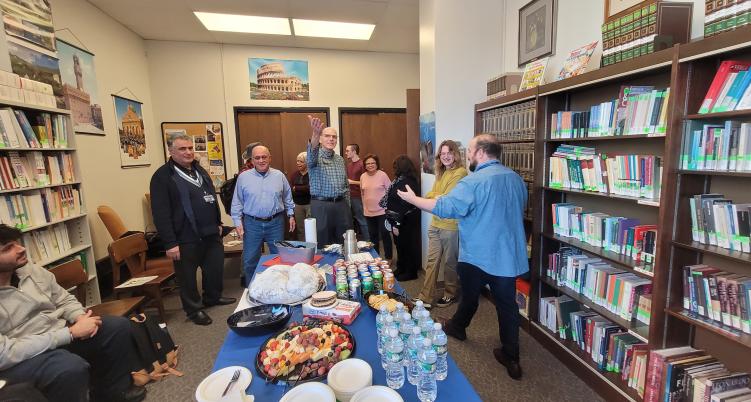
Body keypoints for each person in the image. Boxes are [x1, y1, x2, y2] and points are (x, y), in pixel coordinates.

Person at [397, 134, 528, 380]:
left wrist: (413, 199)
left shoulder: (473, 181)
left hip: (477, 254)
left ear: (480, 152)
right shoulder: (516, 179)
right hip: (507, 257)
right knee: (507, 307)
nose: (467, 154)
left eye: (469, 150)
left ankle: (458, 328)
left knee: (469, 296)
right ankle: (512, 357)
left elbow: (446, 207)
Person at [0, 224, 146, 402]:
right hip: (23, 357)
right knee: (69, 368)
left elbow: (62, 298)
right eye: (8, 248)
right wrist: (69, 333)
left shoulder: (29, 270)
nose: (21, 249)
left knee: (117, 327)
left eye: (17, 243)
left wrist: (79, 316)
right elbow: (5, 354)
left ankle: (114, 393)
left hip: (58, 334)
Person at [150, 132, 236, 326]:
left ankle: (212, 297)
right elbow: (160, 213)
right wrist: (170, 243)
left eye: (190, 148)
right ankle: (194, 310)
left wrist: (218, 222)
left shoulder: (199, 170)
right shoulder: (163, 177)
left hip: (211, 232)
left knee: (214, 268)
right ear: (171, 151)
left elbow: (210, 199)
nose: (188, 152)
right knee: (187, 276)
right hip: (184, 236)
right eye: (182, 149)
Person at [231, 145, 295, 280]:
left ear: (270, 158)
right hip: (252, 224)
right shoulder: (243, 178)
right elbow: (237, 202)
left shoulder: (279, 176)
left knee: (278, 259)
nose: (261, 160)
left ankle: (278, 287)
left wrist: (291, 215)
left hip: (276, 222)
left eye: (264, 157)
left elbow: (288, 198)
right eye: (257, 158)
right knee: (250, 261)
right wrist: (237, 222)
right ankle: (251, 290)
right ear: (252, 161)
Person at [417, 140, 467, 308]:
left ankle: (450, 294)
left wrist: (436, 196)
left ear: (455, 154)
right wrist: (436, 196)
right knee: (432, 262)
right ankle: (425, 297)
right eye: (442, 154)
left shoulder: (460, 173)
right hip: (436, 223)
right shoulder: (442, 172)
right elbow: (434, 194)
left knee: (450, 263)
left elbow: (447, 198)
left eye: (449, 153)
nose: (445, 156)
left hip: (451, 226)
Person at [306, 116, 352, 246]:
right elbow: (311, 154)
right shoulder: (315, 157)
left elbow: (346, 185)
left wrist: (347, 207)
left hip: (341, 205)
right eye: (327, 136)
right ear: (320, 139)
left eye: (334, 136)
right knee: (322, 242)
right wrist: (315, 133)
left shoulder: (340, 159)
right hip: (321, 206)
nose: (331, 139)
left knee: (344, 241)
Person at [381, 155, 420, 281]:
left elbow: (404, 206)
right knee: (399, 245)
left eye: (395, 166)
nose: (394, 169)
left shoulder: (407, 182)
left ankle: (410, 272)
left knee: (407, 246)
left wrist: (397, 224)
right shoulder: (399, 180)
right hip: (399, 219)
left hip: (405, 221)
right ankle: (401, 267)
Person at [359, 154, 392, 259]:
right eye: (367, 163)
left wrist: (388, 207)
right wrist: (364, 207)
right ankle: (376, 257)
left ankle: (389, 257)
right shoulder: (363, 176)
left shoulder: (383, 175)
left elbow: (390, 192)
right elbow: (362, 193)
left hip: (383, 211)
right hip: (368, 212)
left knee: (385, 234)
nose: (370, 165)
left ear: (377, 164)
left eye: (372, 163)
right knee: (373, 236)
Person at [345, 143, 369, 241]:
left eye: (347, 151)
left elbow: (367, 182)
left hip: (358, 197)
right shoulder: (349, 165)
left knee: (362, 220)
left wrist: (352, 182)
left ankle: (369, 243)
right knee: (349, 221)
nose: (346, 153)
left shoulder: (362, 164)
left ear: (354, 152)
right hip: (348, 196)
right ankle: (352, 243)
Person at [288, 151, 311, 241]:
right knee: (301, 229)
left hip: (309, 204)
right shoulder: (294, 175)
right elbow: (291, 189)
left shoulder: (312, 174)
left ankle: (312, 247)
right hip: (297, 205)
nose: (298, 163)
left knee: (310, 227)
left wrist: (297, 188)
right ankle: (303, 246)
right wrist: (303, 188)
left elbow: (311, 188)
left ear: (307, 162)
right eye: (297, 161)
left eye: (301, 161)